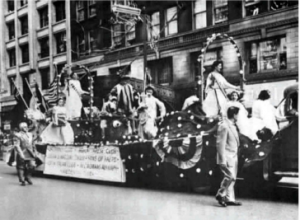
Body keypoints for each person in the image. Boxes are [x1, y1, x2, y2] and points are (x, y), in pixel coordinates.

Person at [215, 106, 242, 207]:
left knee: (233, 178)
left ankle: (230, 198)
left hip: (233, 156)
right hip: (227, 156)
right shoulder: (224, 126)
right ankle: (220, 194)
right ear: (234, 115)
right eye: (237, 114)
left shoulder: (232, 125)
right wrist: (222, 159)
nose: (238, 116)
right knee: (229, 176)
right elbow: (220, 144)